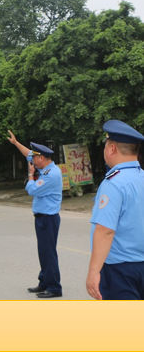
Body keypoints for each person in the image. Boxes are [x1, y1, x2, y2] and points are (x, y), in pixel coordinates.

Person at [86, 120, 144, 300]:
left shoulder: (113, 183)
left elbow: (105, 230)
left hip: (120, 271)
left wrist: (93, 272)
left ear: (111, 149)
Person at [7, 130, 63, 298]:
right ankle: (44, 282)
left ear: (42, 158)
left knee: (48, 253)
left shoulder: (51, 175)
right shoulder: (45, 167)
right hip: (42, 218)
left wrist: (31, 174)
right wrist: (16, 143)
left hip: (48, 219)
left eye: (35, 158)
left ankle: (54, 287)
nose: (32, 160)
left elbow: (31, 190)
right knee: (43, 252)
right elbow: (28, 154)